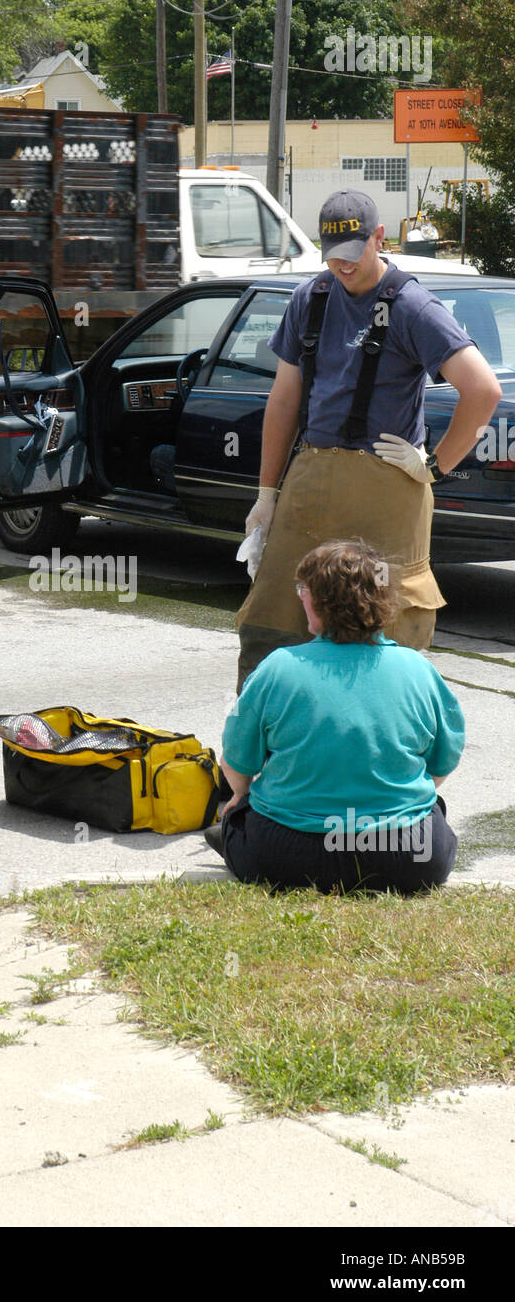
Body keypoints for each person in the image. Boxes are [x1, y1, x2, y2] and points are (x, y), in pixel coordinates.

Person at [235, 189, 502, 692]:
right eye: (333, 257)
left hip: (388, 487)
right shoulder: (309, 299)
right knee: (273, 624)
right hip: (310, 481)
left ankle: (377, 746)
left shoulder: (413, 306)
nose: (343, 267)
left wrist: (435, 466)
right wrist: (266, 495)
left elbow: (482, 390)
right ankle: (267, 753)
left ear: (380, 238)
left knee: (382, 629)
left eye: (354, 255)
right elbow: (284, 401)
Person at [208, 540, 464, 893]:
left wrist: (241, 795)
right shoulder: (418, 669)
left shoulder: (278, 668)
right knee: (432, 808)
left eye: (304, 590)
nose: (300, 597)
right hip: (405, 856)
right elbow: (442, 763)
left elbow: (236, 764)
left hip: (286, 854)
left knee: (240, 813)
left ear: (319, 601)